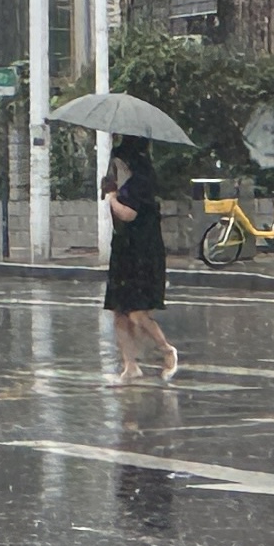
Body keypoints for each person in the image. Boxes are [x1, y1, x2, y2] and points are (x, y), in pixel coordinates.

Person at [102, 135, 180, 381]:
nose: (114, 167)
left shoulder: (140, 182)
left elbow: (128, 214)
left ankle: (166, 349)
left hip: (142, 253)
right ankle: (130, 364)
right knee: (119, 312)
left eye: (118, 162)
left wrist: (111, 197)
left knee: (137, 312)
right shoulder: (124, 183)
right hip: (123, 251)